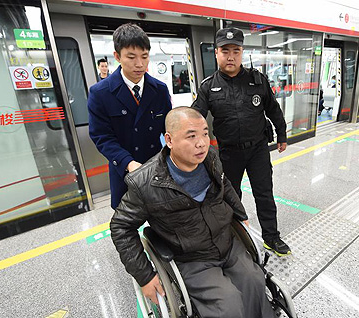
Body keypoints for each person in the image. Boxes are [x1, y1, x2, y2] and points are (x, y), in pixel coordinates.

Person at [110, 107, 275, 318]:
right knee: (228, 304)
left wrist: (241, 217)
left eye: (205, 133)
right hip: (192, 258)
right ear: (169, 140)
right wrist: (145, 276)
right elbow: (120, 227)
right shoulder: (145, 183)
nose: (202, 143)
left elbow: (226, 186)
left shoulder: (211, 159)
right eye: (191, 136)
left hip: (227, 243)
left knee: (255, 281)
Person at [191, 27, 291, 256]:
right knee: (230, 198)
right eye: (225, 50)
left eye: (236, 50)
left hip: (257, 150)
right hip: (228, 154)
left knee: (264, 194)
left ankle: (271, 238)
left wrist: (282, 135)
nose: (230, 56)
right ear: (216, 53)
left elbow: (274, 111)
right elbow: (195, 118)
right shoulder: (208, 86)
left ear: (242, 52)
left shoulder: (257, 81)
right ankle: (233, 238)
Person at [88, 23, 172, 209]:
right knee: (126, 225)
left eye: (144, 56)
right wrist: (129, 163)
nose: (140, 64)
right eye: (131, 57)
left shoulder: (159, 90)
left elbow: (169, 128)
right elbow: (102, 137)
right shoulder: (100, 93)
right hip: (123, 171)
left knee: (162, 219)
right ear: (117, 56)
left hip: (156, 167)